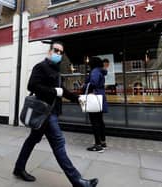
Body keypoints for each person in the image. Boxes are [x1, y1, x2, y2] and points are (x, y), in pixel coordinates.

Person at [13, 42, 98, 187]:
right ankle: (77, 180)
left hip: (49, 113)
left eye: (61, 52)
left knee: (31, 140)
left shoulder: (56, 70)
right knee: (59, 144)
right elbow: (32, 85)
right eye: (56, 50)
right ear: (49, 51)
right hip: (45, 113)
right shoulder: (40, 67)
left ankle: (19, 168)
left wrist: (79, 99)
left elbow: (63, 91)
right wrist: (54, 91)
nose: (58, 53)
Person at [83, 57, 108, 153]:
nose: (89, 64)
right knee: (100, 121)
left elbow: (93, 83)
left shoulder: (95, 71)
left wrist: (84, 86)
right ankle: (103, 142)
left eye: (90, 63)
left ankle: (98, 145)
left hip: (94, 97)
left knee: (95, 122)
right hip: (100, 97)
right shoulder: (100, 71)